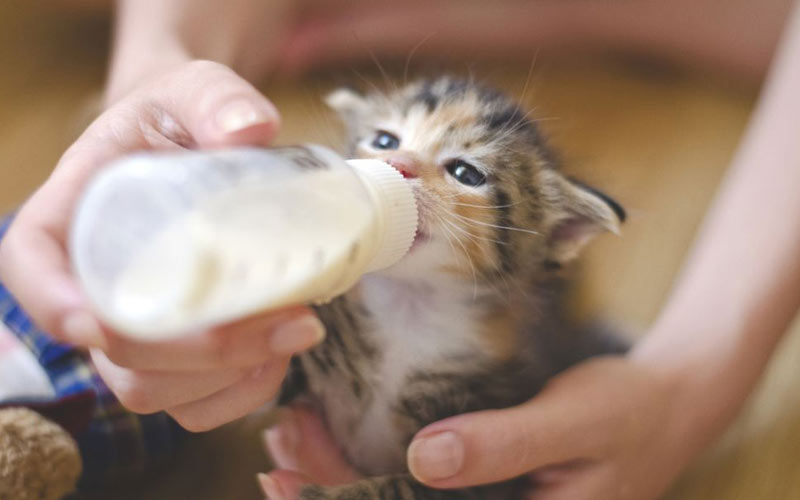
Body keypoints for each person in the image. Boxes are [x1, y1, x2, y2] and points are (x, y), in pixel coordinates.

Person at [0, 0, 798, 498]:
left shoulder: (500, 356)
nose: (398, 165)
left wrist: (692, 378)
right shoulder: (323, 285)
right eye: (382, 140)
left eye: (462, 171)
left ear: (550, 237)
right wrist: (151, 69)